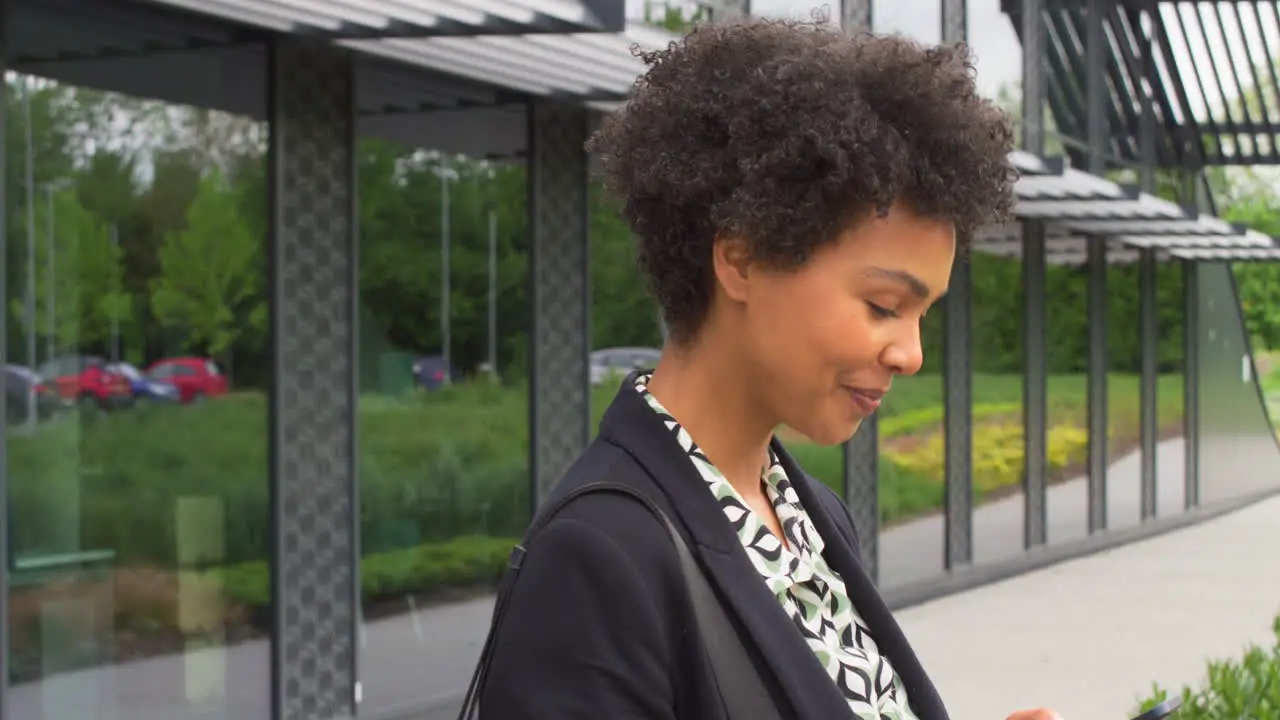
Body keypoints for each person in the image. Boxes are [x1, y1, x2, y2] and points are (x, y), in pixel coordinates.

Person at [478, 18, 1062, 720]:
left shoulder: (815, 518)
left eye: (922, 314)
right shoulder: (598, 559)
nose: (911, 354)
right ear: (743, 260)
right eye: (883, 305)